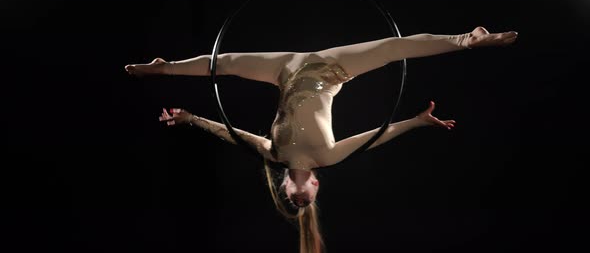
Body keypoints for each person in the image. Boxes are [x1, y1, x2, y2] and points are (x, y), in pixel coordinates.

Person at [125, 26, 517, 253]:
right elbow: (377, 136)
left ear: (283, 185)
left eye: (288, 201)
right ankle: (468, 38)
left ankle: (165, 68)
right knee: (393, 49)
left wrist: (192, 118)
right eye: (305, 202)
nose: (297, 200)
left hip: (283, 69)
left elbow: (228, 133)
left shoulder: (272, 151)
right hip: (333, 70)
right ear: (314, 185)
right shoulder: (327, 157)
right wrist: (416, 121)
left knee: (223, 64)